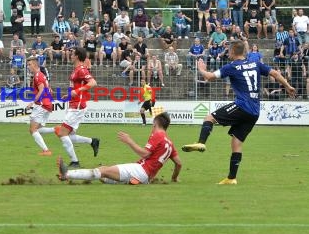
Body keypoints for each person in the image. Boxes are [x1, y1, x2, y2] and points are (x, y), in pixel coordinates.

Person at [182, 41, 296, 184]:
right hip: (254, 111)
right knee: (236, 143)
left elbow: (210, 77)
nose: (228, 53)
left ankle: (200, 143)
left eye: (229, 51)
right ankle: (231, 178)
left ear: (234, 51)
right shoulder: (255, 64)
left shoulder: (232, 67)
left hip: (243, 106)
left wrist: (201, 69)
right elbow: (274, 73)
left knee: (209, 117)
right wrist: (288, 86)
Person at [58, 112, 182, 185]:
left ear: (155, 123)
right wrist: (174, 178)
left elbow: (145, 154)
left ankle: (67, 174)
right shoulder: (169, 143)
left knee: (103, 170)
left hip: (140, 170)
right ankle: (133, 181)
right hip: (146, 176)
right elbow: (179, 164)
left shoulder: (157, 135)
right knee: (104, 176)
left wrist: (129, 141)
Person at [53, 47, 100, 168]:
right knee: (69, 136)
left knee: (62, 133)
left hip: (77, 106)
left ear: (78, 56)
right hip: (74, 104)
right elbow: (76, 87)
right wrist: (69, 95)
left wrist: (78, 90)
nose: (70, 55)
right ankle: (92, 141)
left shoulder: (82, 70)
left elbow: (93, 83)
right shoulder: (76, 70)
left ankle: (75, 161)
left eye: (72, 54)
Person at [26, 56, 53, 156]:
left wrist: (32, 102)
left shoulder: (38, 76)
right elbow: (49, 89)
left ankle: (46, 151)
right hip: (47, 104)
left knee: (32, 129)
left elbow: (42, 90)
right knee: (38, 129)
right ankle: (56, 129)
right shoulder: (41, 75)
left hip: (41, 105)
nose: (28, 67)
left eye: (29, 65)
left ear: (34, 65)